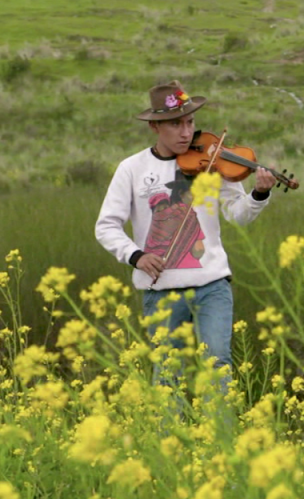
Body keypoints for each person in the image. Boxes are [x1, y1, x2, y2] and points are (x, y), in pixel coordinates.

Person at [95, 80, 277, 396]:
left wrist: (260, 193)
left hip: (212, 285)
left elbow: (238, 215)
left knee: (217, 365)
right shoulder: (132, 168)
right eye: (175, 124)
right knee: (167, 375)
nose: (185, 132)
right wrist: (137, 256)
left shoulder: (214, 162)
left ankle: (219, 438)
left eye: (190, 122)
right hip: (161, 289)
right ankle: (170, 442)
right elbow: (106, 226)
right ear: (155, 126)